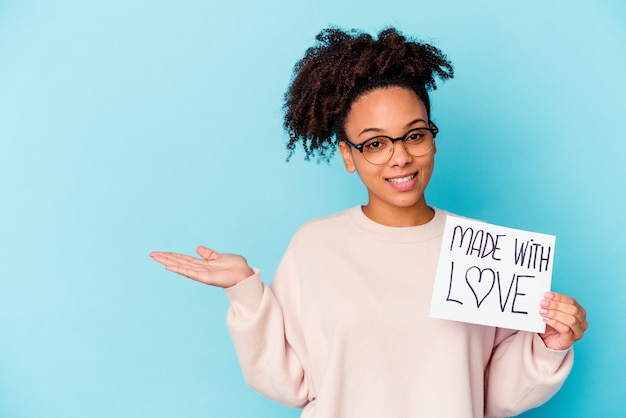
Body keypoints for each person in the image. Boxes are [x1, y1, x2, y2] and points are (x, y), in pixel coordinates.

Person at [150, 27, 588, 418]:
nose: (400, 156)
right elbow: (289, 383)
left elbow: (492, 395)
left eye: (415, 134)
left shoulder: (480, 249)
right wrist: (245, 291)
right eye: (375, 143)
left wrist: (549, 344)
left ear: (432, 138)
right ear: (348, 156)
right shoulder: (315, 246)